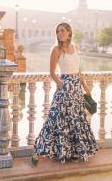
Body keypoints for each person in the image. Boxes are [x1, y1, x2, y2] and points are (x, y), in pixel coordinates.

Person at [30, 22, 98, 166]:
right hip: (64, 87)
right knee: (55, 120)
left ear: (69, 32)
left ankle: (73, 152)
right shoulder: (56, 50)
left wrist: (85, 85)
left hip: (77, 89)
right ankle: (36, 154)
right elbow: (52, 73)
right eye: (58, 31)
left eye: (62, 31)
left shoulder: (75, 48)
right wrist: (61, 85)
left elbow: (78, 70)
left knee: (76, 120)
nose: (60, 33)